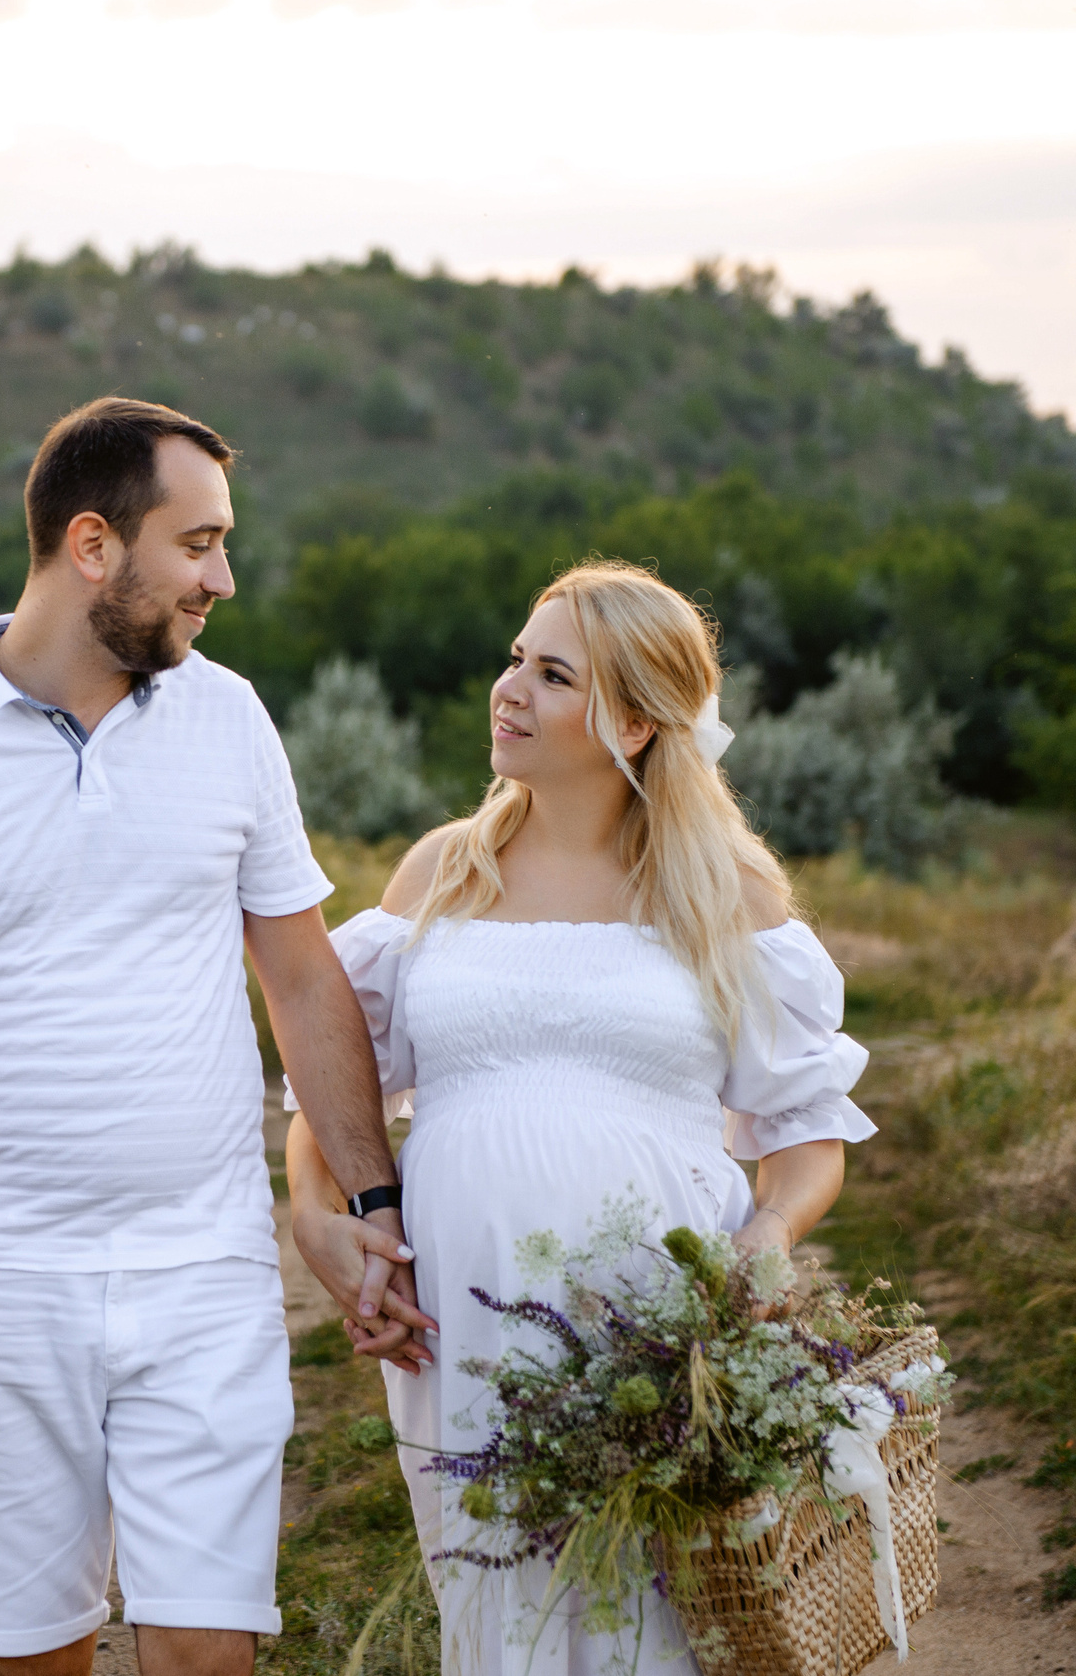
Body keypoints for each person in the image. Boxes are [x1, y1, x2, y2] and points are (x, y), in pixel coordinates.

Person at [0, 397, 433, 1676]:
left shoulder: (229, 718)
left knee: (207, 1652)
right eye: (197, 544)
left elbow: (302, 979)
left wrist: (372, 1198)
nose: (221, 579)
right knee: (35, 1655)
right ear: (92, 545)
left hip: (204, 1267)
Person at [283, 559, 878, 1675]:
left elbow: (807, 1133)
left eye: (554, 675)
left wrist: (765, 1235)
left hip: (655, 1323)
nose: (509, 688)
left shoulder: (727, 891)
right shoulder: (441, 872)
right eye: (517, 658)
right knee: (499, 1609)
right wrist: (317, 1209)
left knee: (654, 1620)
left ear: (637, 722)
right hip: (462, 1318)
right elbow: (333, 1079)